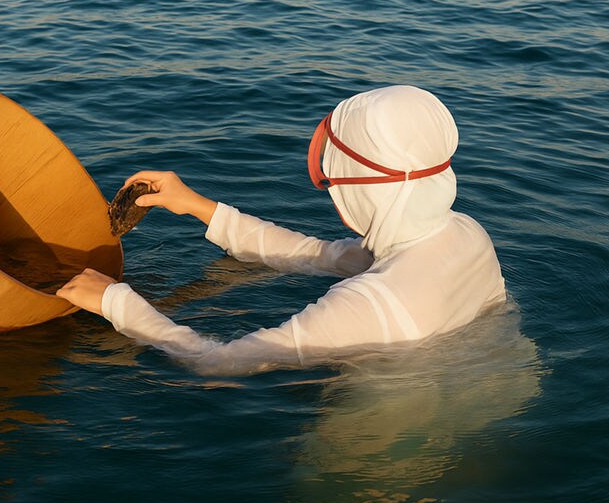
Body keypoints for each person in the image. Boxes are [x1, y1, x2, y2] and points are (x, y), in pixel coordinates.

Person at [57, 85, 507, 375]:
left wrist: (116, 301)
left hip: (374, 460)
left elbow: (216, 363)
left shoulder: (369, 303)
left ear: (362, 190)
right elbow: (314, 254)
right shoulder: (465, 234)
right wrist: (193, 204)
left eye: (333, 178)